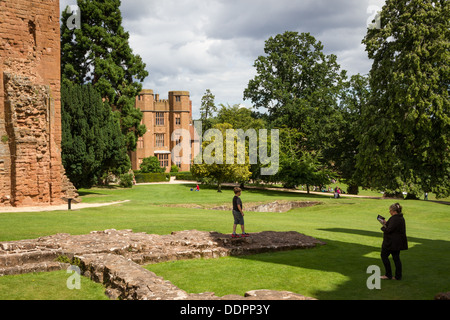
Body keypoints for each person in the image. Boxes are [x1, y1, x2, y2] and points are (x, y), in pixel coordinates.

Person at [380, 203, 408, 280]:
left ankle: (388, 274)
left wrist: (383, 227)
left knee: (384, 256)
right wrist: (386, 223)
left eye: (390, 210)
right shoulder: (400, 218)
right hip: (397, 242)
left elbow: (389, 230)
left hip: (391, 243)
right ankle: (398, 276)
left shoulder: (394, 218)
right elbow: (393, 227)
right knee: (396, 258)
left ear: (394, 211)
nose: (390, 212)